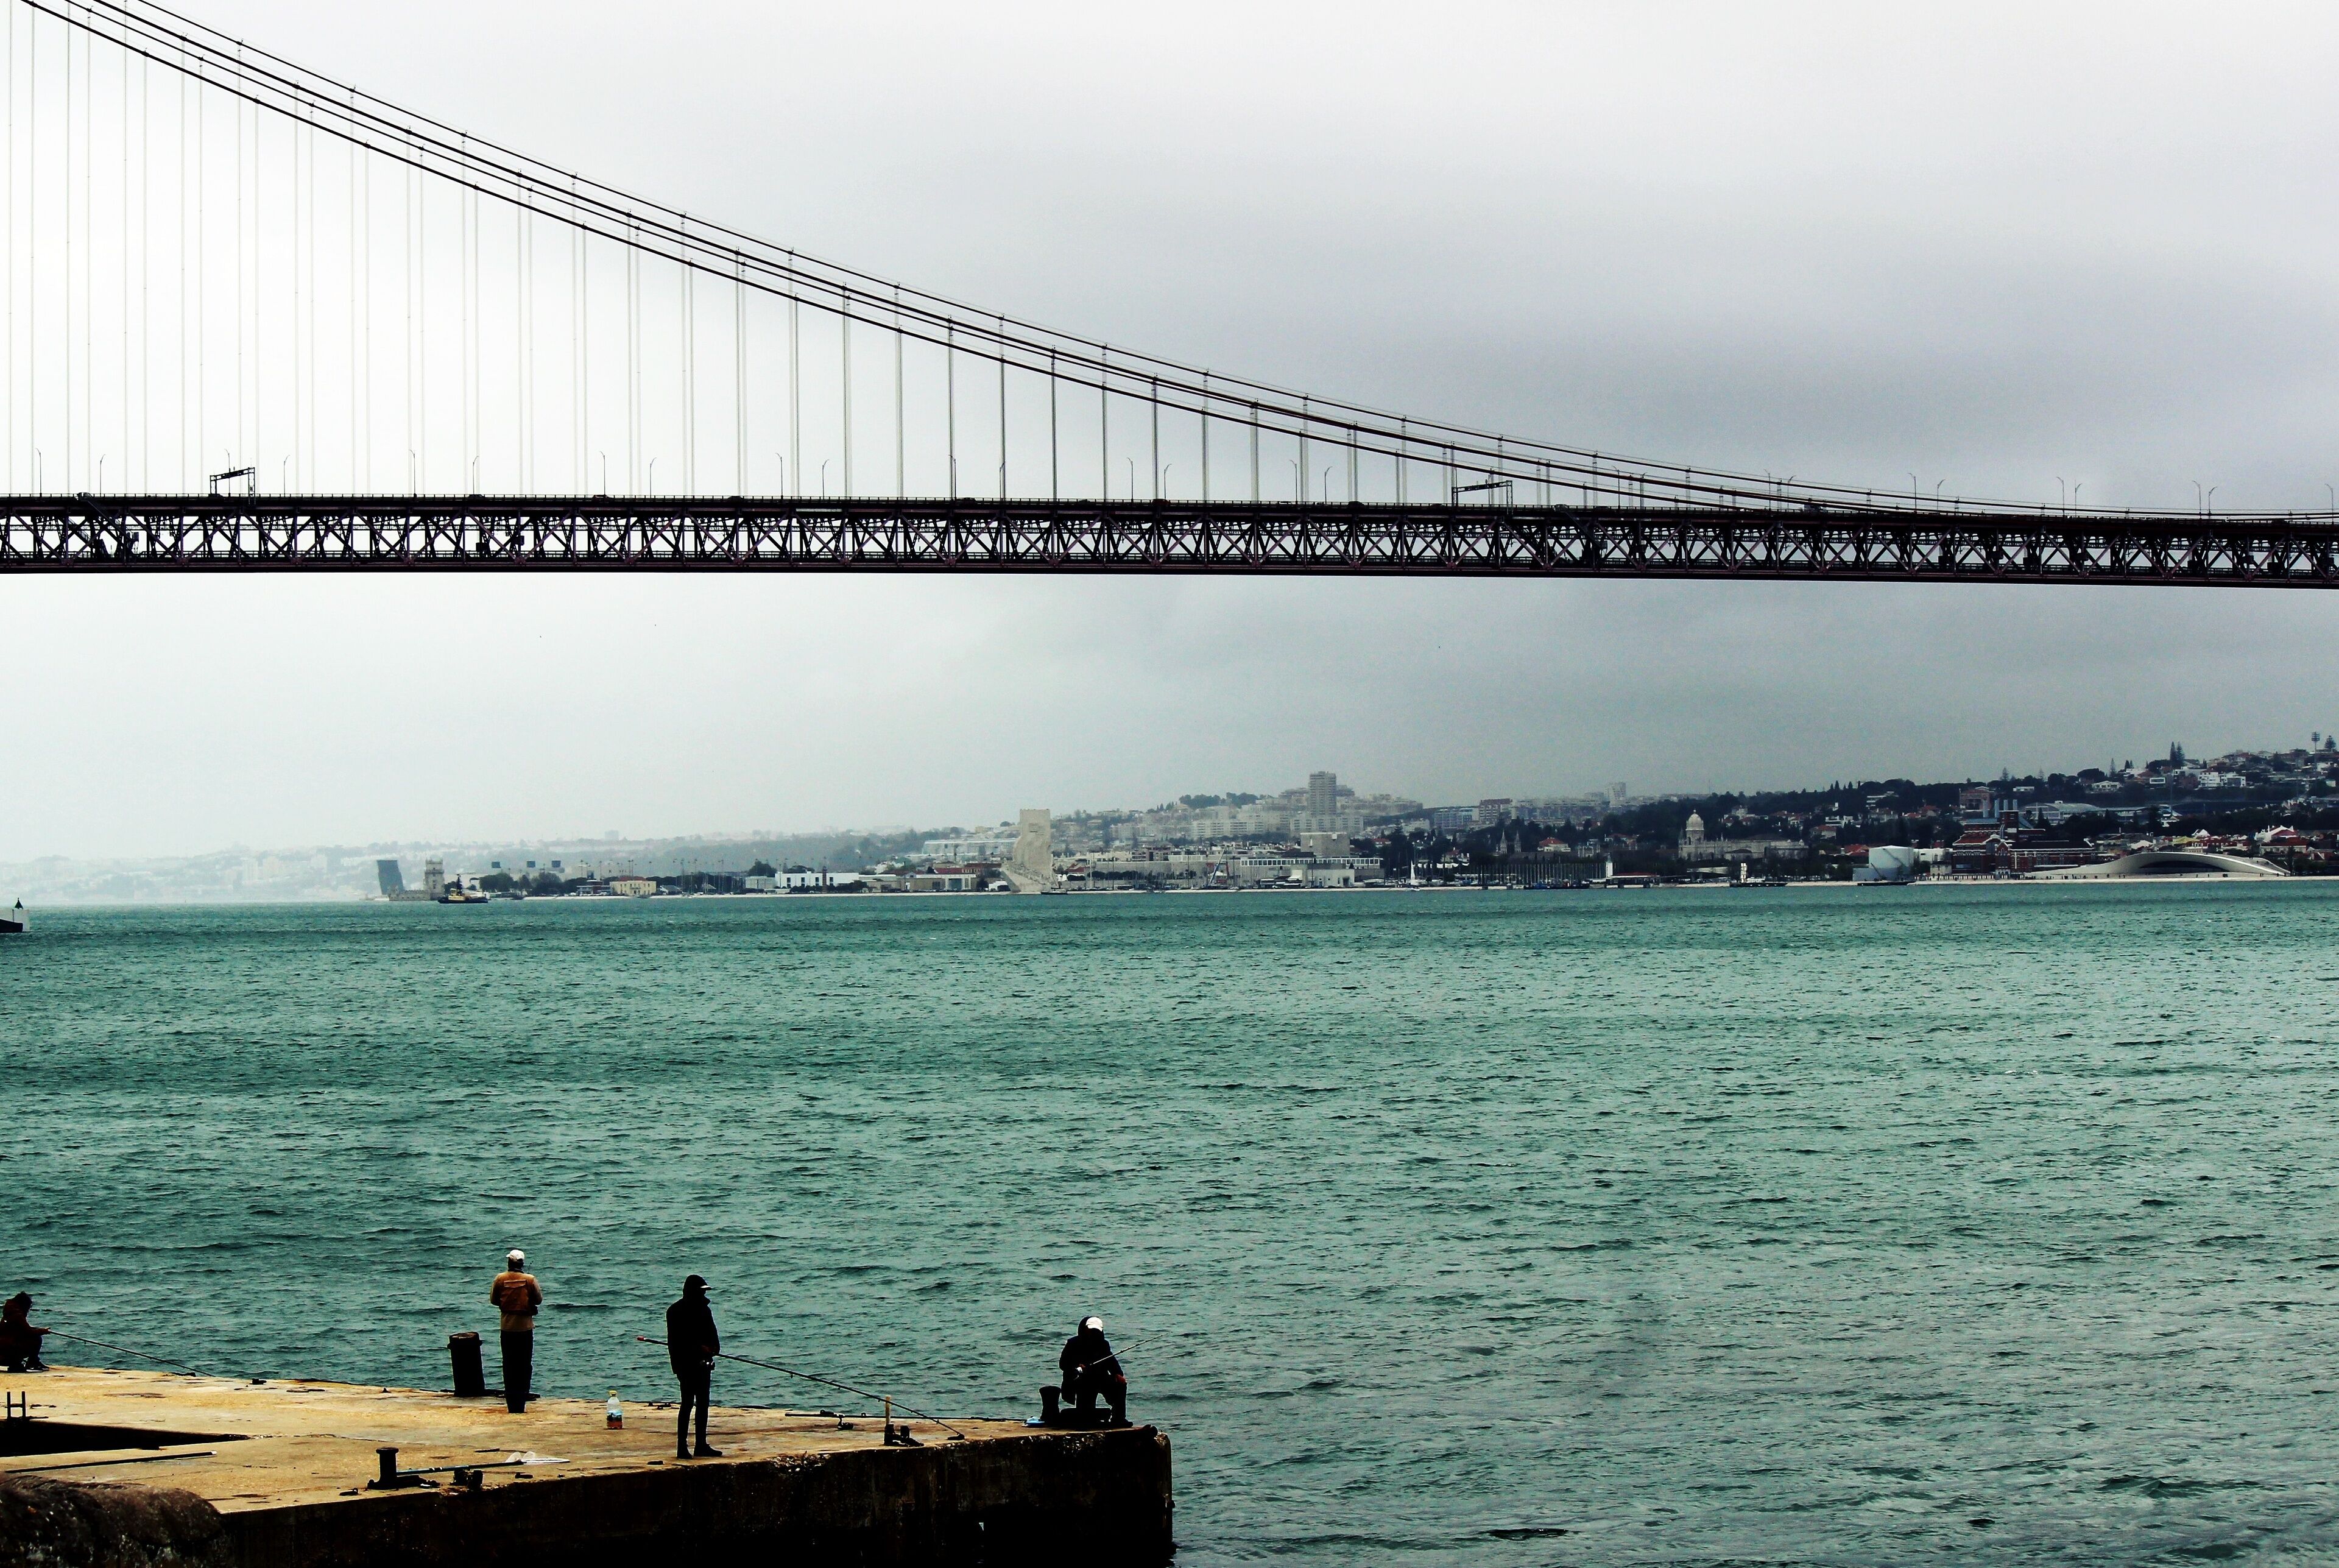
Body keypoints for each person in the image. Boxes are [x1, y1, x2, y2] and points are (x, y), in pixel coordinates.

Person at [665, 1274, 722, 1459]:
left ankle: (701, 1445)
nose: (703, 1295)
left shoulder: (705, 1311)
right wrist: (699, 1348)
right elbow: (677, 1341)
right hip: (685, 1365)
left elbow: (713, 1335)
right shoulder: (674, 1312)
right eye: (701, 1291)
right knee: (687, 1404)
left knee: (703, 1404)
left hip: (703, 1364)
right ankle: (682, 1447)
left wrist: (713, 1348)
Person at [489, 1249, 542, 1413]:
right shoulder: (530, 1280)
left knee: (509, 1364)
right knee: (524, 1365)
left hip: (507, 1327)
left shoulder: (500, 1278)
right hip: (525, 1328)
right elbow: (538, 1300)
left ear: (509, 1263)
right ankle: (522, 1398)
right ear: (522, 1264)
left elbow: (494, 1300)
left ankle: (511, 1401)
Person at [1058, 1315, 1126, 1424]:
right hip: (1080, 1380)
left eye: (1096, 1330)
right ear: (1085, 1329)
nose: (1093, 1333)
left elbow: (1111, 1361)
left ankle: (1118, 1418)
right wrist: (1077, 1365)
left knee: (1120, 1385)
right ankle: (1083, 1416)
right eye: (1091, 1329)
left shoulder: (1103, 1344)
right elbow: (1063, 1364)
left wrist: (1118, 1374)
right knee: (1085, 1416)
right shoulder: (1073, 1343)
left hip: (1100, 1378)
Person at [0, 1293, 48, 1372]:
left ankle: (29, 1362)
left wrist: (37, 1329)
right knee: (37, 1339)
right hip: (8, 1352)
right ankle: (32, 1362)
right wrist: (43, 1331)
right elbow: (29, 1332)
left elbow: (22, 1329)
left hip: (3, 1350)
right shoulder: (17, 1315)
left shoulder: (9, 1314)